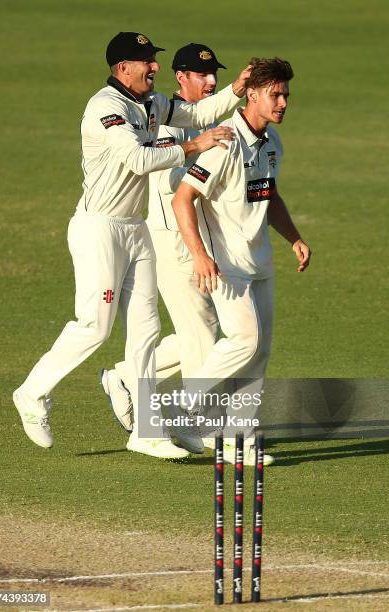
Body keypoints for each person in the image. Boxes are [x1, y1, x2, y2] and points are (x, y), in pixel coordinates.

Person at [12, 31, 252, 460]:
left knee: (146, 332)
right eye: (146, 62)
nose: (155, 68)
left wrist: (238, 89)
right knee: (95, 326)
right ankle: (31, 393)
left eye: (153, 60)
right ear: (123, 68)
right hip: (98, 228)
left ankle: (146, 430)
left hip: (134, 228)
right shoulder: (105, 108)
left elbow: (198, 113)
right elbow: (138, 159)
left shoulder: (153, 103)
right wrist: (193, 146)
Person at [172, 57, 312, 464]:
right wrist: (200, 255)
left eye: (286, 95)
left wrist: (294, 238)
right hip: (226, 263)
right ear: (252, 94)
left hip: (260, 261)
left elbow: (270, 197)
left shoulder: (272, 142)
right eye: (275, 94)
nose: (283, 102)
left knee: (260, 351)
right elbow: (184, 198)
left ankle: (240, 438)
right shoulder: (224, 142)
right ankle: (185, 408)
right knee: (244, 341)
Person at [100, 43, 226, 450]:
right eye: (200, 74)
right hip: (168, 238)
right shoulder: (164, 126)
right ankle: (208, 428)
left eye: (213, 74)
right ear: (181, 78)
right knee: (203, 331)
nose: (210, 82)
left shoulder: (197, 122)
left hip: (198, 237)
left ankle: (124, 376)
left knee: (200, 330)